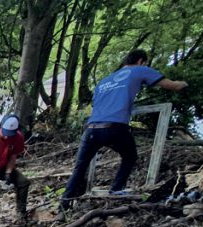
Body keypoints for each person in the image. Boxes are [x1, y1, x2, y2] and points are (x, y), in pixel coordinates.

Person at [60, 49, 187, 213]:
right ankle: (116, 188)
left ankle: (63, 207)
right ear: (141, 61)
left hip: (91, 129)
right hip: (115, 127)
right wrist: (184, 84)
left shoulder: (104, 81)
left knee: (80, 168)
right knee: (130, 156)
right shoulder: (140, 70)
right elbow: (173, 86)